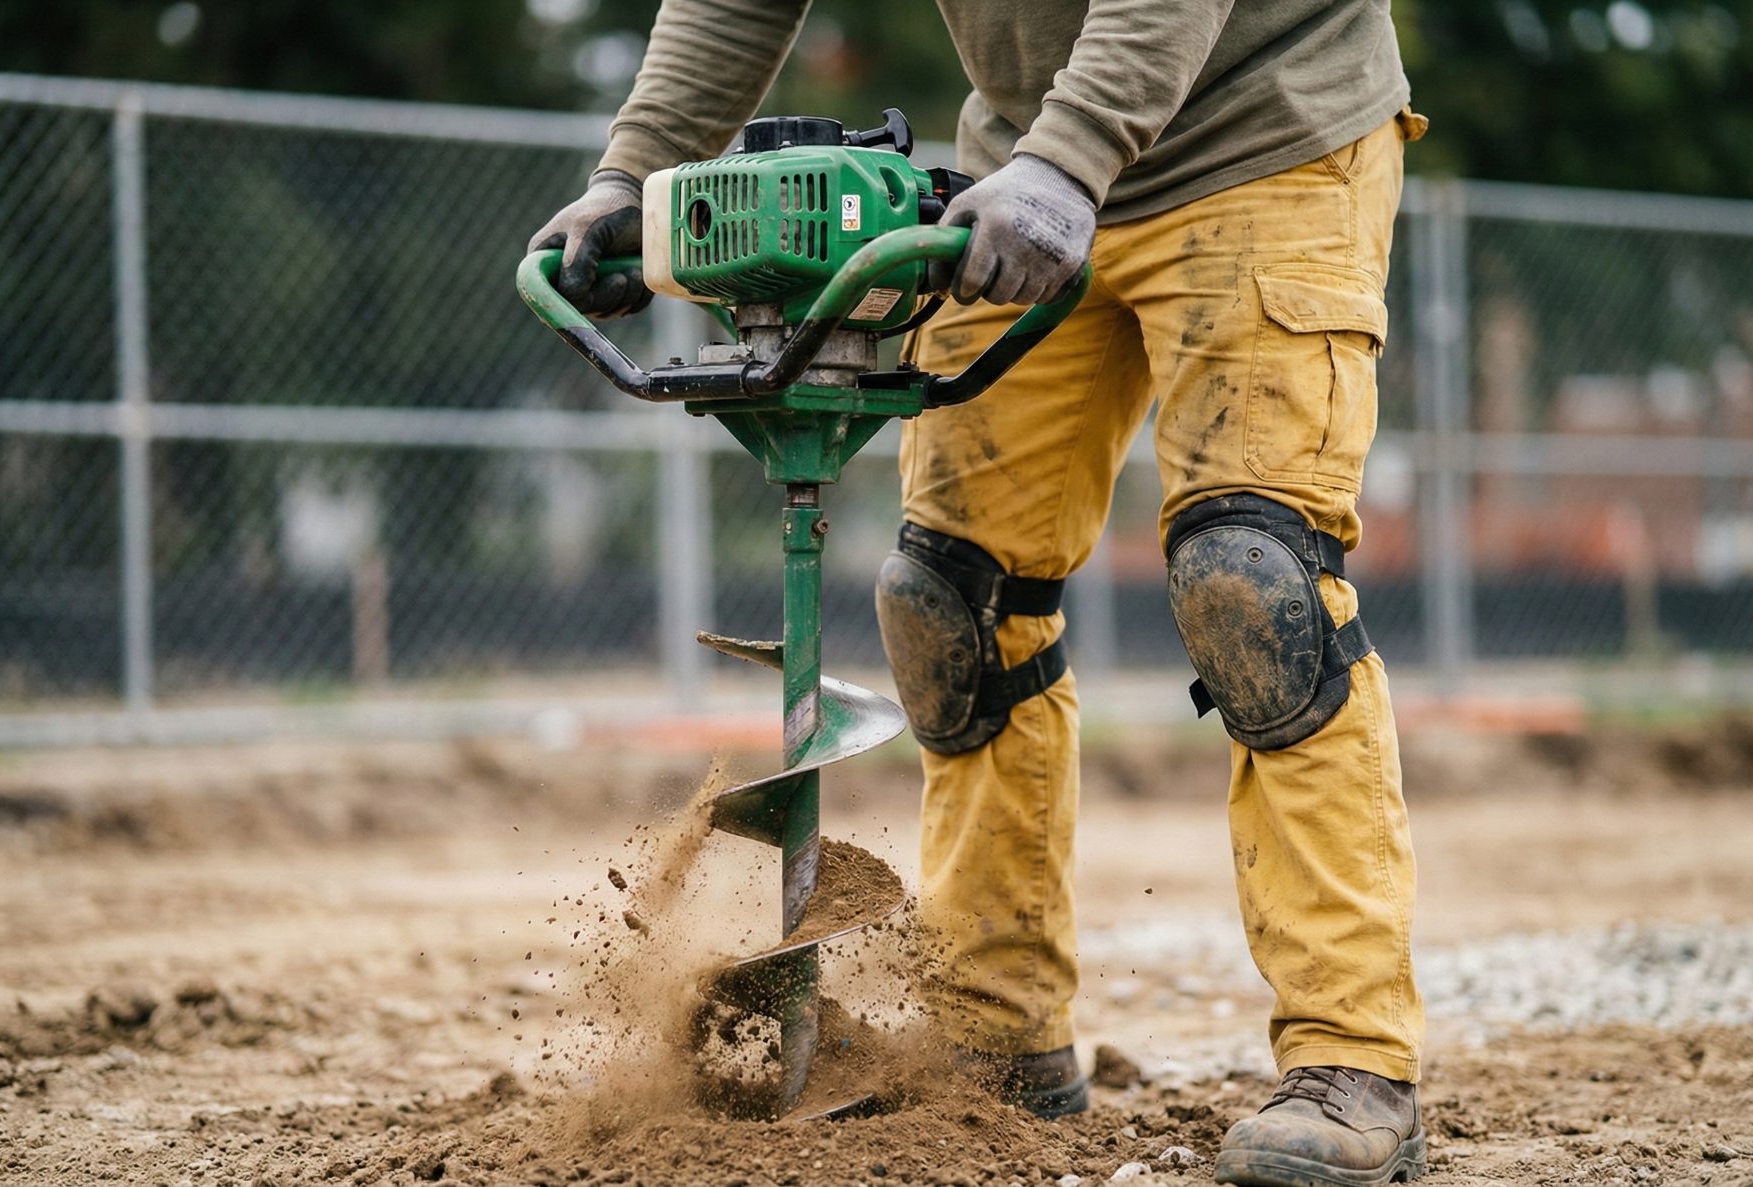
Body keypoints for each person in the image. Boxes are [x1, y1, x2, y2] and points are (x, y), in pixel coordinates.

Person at [529, 3, 1430, 1184]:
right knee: (948, 600)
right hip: (1021, 173)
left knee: (1253, 586)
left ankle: (1352, 1058)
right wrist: (632, 175)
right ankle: (997, 1034)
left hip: (1260, 138)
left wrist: (1070, 156)